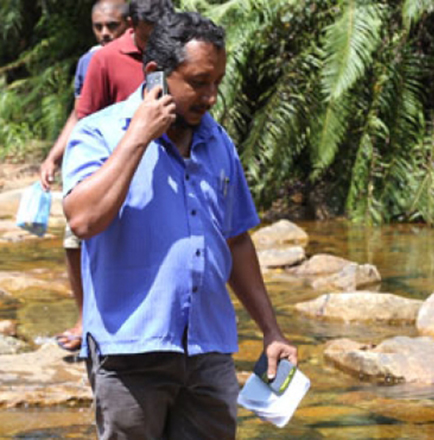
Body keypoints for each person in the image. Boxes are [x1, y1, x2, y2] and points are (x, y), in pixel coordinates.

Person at [62, 11, 298, 439]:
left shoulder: (218, 141)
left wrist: (271, 330)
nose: (211, 97)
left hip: (209, 350)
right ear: (156, 73)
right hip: (130, 351)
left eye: (217, 82)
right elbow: (83, 220)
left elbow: (236, 240)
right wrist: (138, 137)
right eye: (199, 82)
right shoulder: (99, 134)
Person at [38, 0, 130, 352]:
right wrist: (54, 157)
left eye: (112, 25)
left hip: (131, 165)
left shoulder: (147, 58)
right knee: (74, 240)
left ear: (129, 24)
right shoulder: (89, 62)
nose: (105, 33)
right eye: (98, 26)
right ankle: (84, 318)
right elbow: (80, 113)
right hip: (92, 165)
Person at [77, 0, 175, 119]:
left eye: (162, 37)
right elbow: (86, 118)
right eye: (147, 38)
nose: (156, 44)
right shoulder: (104, 59)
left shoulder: (181, 52)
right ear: (131, 24)